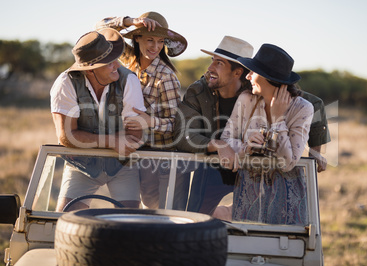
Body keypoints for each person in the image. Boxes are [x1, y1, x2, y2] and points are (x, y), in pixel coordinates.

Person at [96, 12, 188, 209]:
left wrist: (150, 121)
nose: (155, 47)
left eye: (160, 41)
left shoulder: (166, 77)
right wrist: (131, 21)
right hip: (137, 154)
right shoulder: (129, 60)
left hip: (163, 158)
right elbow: (101, 32)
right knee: (144, 208)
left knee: (163, 212)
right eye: (149, 40)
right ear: (137, 38)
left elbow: (177, 125)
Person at [50, 28, 146, 212]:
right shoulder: (65, 83)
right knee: (64, 220)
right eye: (110, 63)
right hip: (81, 166)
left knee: (131, 223)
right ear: (90, 70)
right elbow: (67, 137)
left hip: (122, 165)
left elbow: (135, 136)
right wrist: (113, 140)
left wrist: (84, 139)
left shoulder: (129, 81)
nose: (117, 65)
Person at [220, 44, 314, 225]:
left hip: (287, 197)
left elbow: (288, 163)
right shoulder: (246, 99)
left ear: (268, 78)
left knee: (282, 248)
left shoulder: (303, 108)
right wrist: (246, 146)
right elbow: (226, 139)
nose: (248, 76)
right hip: (248, 189)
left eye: (253, 72)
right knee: (246, 244)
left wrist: (278, 121)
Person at [173, 36, 254, 215]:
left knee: (256, 224)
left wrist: (317, 152)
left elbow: (312, 102)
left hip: (251, 170)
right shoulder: (198, 90)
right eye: (212, 61)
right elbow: (184, 134)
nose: (210, 68)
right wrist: (218, 145)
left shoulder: (257, 89)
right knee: (196, 220)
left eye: (219, 63)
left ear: (237, 72)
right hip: (211, 169)